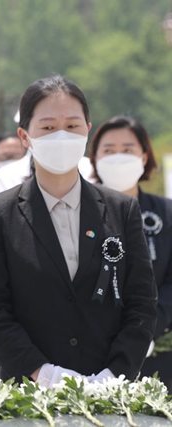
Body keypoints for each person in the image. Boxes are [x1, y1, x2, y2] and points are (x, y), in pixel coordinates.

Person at [0, 75, 157, 387]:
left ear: (88, 130)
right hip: (29, 394)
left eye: (72, 126)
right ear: (25, 136)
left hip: (110, 392)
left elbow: (141, 302)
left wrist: (114, 376)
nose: (61, 136)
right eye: (47, 127)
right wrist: (45, 374)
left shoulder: (122, 210)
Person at [89, 115, 172, 388]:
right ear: (95, 158)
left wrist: (145, 330)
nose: (118, 157)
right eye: (108, 150)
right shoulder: (80, 212)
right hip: (94, 351)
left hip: (159, 353)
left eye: (128, 150)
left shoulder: (166, 213)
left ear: (144, 156)